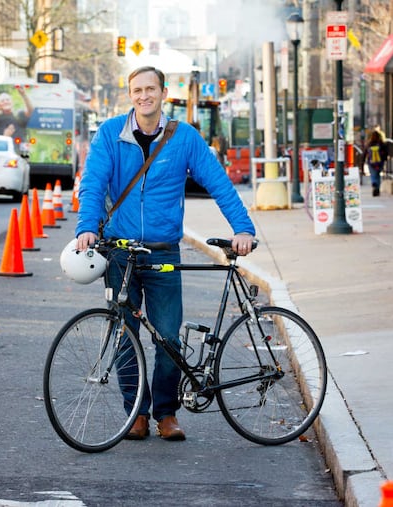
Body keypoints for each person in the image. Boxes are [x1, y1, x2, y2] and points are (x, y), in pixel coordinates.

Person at [74, 66, 255, 441]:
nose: (144, 96)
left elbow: (218, 182)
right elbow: (93, 183)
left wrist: (242, 228)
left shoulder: (183, 137)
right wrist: (87, 227)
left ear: (163, 92)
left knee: (169, 337)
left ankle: (166, 413)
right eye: (137, 90)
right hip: (121, 252)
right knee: (126, 335)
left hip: (162, 252)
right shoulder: (110, 134)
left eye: (150, 89)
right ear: (130, 95)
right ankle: (136, 413)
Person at [365, 130, 387, 197]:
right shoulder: (381, 143)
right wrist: (384, 159)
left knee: (373, 175)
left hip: (371, 163)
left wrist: (362, 162)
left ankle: (374, 183)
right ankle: (377, 188)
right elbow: (386, 152)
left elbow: (364, 153)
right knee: (378, 175)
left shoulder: (369, 144)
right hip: (380, 162)